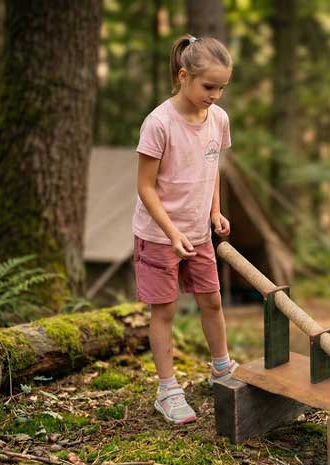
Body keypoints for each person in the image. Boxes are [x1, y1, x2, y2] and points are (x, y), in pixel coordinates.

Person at [133, 35, 238, 425]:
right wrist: (171, 232)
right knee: (165, 311)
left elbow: (211, 171)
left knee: (212, 301)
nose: (217, 95)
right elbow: (145, 186)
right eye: (209, 87)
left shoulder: (218, 120)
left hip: (197, 232)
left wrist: (215, 212)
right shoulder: (159, 123)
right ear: (183, 76)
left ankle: (222, 368)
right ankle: (168, 390)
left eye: (222, 87)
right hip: (159, 235)